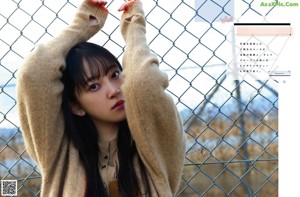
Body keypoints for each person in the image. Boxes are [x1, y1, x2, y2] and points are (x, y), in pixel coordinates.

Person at [16, 0, 186, 196]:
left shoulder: (154, 147)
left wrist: (133, 28)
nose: (114, 90)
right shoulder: (59, 155)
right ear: (76, 106)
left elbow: (144, 81)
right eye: (94, 86)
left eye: (115, 75)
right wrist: (81, 26)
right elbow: (34, 73)